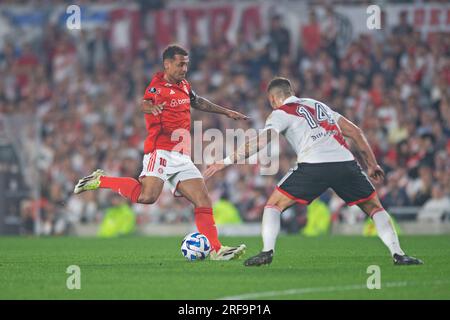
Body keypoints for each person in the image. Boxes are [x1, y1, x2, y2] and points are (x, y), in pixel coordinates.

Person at [204, 77, 423, 266]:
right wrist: (372, 164)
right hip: (344, 163)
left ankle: (267, 251)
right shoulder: (319, 106)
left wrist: (226, 161)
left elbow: (262, 141)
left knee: (273, 205)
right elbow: (355, 132)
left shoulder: (280, 113)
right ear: (292, 93)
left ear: (272, 99)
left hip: (313, 165)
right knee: (374, 207)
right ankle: (398, 254)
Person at [74, 45, 247, 261]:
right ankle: (101, 180)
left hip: (181, 154)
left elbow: (197, 101)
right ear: (167, 64)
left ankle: (216, 249)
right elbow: (145, 103)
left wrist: (226, 111)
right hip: (161, 150)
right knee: (147, 197)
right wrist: (151, 108)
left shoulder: (184, 85)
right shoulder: (157, 86)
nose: (184, 68)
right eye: (180, 64)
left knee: (203, 200)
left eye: (186, 64)